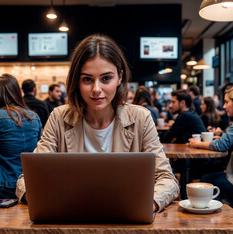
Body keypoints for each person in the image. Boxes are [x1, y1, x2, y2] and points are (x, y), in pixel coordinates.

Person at [16, 34, 179, 220]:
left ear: (119, 77)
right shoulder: (59, 117)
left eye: (106, 78)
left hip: (126, 219)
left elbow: (167, 179)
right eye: (87, 79)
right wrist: (47, 201)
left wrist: (145, 205)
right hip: (70, 219)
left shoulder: (140, 118)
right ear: (77, 81)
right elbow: (26, 181)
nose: (96, 89)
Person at [189, 84, 233, 209]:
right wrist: (223, 134)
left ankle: (219, 220)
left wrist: (197, 144)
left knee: (208, 180)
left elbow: (221, 145)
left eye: (226, 102)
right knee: (219, 178)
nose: (224, 106)